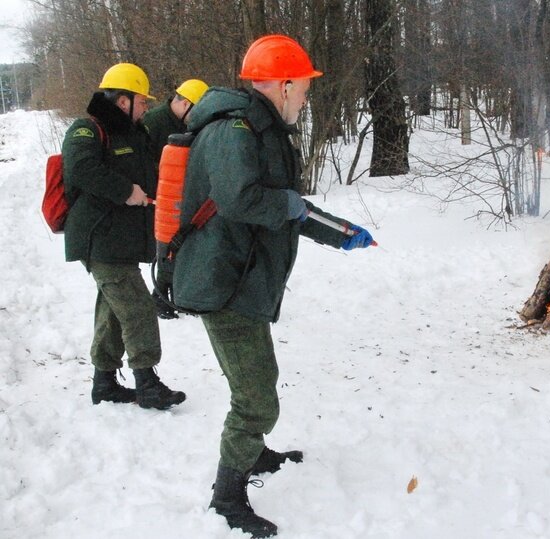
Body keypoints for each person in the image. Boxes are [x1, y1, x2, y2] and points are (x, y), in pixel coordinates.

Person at [171, 35, 374, 537]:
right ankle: (227, 495)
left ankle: (255, 453)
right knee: (257, 399)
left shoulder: (258, 128)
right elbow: (243, 200)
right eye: (303, 89)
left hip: (243, 279)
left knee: (257, 377)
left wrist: (339, 235)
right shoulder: (234, 130)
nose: (306, 98)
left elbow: (287, 205)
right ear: (283, 85)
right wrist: (291, 209)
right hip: (225, 282)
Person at [62, 62, 186, 410]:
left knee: (113, 311)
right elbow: (82, 169)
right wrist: (125, 190)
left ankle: (104, 382)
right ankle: (147, 382)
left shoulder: (136, 132)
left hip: (123, 240)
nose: (147, 107)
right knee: (137, 307)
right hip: (99, 239)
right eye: (142, 101)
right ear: (122, 101)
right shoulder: (86, 129)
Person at [143, 78, 209, 319]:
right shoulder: (153, 121)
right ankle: (160, 296)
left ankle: (176, 294)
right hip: (159, 193)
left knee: (180, 244)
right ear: (184, 104)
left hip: (181, 191)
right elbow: (144, 159)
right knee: (166, 246)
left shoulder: (188, 124)